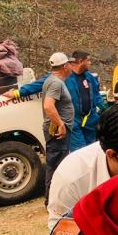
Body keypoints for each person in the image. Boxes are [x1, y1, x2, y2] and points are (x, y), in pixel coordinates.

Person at [41, 52, 75, 200]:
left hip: (58, 130)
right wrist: (60, 124)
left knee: (57, 164)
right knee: (56, 166)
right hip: (56, 131)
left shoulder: (54, 81)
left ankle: (55, 198)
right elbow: (48, 106)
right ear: (65, 66)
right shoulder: (55, 83)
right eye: (70, 64)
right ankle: (52, 199)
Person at [65, 51, 104, 151]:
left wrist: (102, 108)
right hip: (75, 121)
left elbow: (96, 94)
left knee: (91, 150)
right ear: (81, 61)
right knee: (80, 151)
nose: (90, 63)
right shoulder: (66, 76)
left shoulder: (89, 77)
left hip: (90, 120)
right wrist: (20, 93)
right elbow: (46, 82)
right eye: (88, 60)